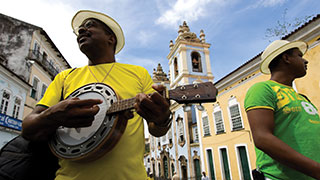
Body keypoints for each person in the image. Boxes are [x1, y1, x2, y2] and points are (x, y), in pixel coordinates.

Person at [21, 10, 172, 180]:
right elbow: (28, 128)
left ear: (110, 38)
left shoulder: (138, 73)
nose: (81, 30)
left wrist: (162, 118)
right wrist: (54, 116)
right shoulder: (65, 77)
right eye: (80, 29)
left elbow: (157, 130)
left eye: (89, 25)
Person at [244, 40, 320, 180]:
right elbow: (262, 138)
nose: (305, 61)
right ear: (286, 58)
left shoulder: (302, 98)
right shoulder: (263, 89)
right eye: (299, 55)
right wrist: (316, 170)